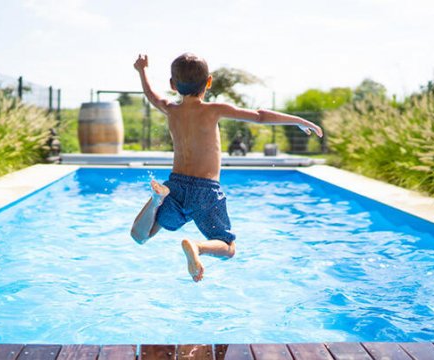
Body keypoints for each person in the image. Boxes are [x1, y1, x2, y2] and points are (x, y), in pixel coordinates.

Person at [130, 53, 323, 282]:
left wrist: (142, 70)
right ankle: (197, 246)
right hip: (205, 190)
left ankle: (155, 200)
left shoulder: (171, 110)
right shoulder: (213, 110)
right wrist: (298, 120)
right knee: (229, 248)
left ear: (173, 84)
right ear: (208, 82)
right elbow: (260, 116)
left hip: (175, 186)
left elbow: (151, 95)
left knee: (140, 236)